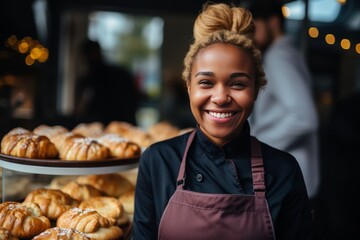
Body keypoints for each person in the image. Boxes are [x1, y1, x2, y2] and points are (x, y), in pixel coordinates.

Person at [133, 2, 313, 240]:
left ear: (256, 90)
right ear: (189, 87)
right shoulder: (158, 162)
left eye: (237, 84)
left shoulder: (283, 170)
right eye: (206, 82)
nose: (220, 98)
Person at [247, 1, 320, 200]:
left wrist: (255, 147)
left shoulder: (278, 57)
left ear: (273, 22)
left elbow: (304, 118)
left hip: (289, 177)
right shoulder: (290, 53)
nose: (251, 35)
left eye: (255, 27)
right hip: (297, 176)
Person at [74, 39, 138, 125]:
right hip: (125, 123)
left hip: (111, 124)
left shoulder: (96, 78)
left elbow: (93, 110)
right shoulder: (119, 73)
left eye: (84, 56)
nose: (83, 60)